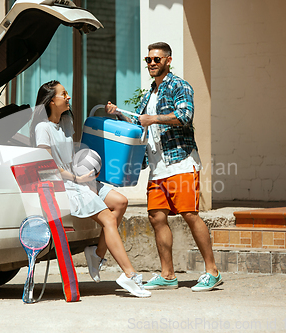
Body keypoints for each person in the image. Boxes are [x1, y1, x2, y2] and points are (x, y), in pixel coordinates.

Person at [106, 42, 222, 292]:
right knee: (156, 217)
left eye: (156, 59)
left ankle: (212, 271)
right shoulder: (149, 94)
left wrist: (155, 118)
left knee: (190, 214)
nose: (151, 64)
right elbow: (140, 124)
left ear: (168, 61)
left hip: (180, 161)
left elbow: (185, 116)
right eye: (148, 59)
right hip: (157, 166)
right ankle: (168, 275)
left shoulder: (179, 86)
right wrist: (119, 115)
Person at [30, 80, 150, 298]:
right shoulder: (42, 128)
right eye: (63, 94)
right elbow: (47, 166)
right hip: (64, 185)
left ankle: (96, 254)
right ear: (51, 101)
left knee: (121, 203)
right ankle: (129, 275)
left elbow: (72, 154)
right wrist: (76, 177)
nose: (68, 97)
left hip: (80, 179)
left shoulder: (66, 122)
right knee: (108, 219)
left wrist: (86, 171)